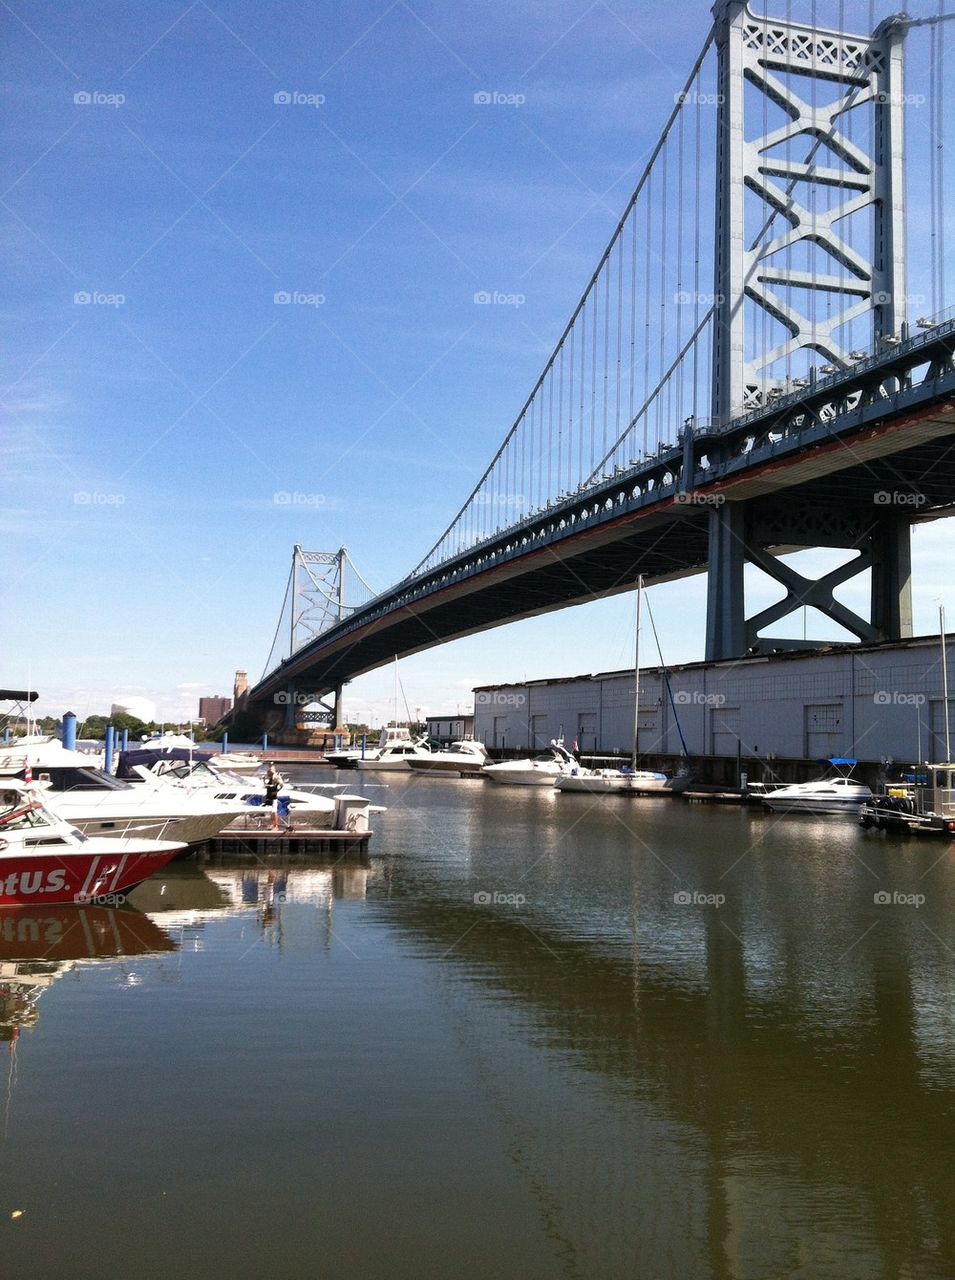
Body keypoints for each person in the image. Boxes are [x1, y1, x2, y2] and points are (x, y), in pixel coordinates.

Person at [263, 763, 282, 830]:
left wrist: (276, 792)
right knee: (272, 812)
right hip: (269, 796)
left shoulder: (275, 777)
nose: (267, 774)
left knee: (274, 812)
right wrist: (264, 780)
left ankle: (276, 826)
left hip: (273, 797)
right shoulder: (271, 779)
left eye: (268, 772)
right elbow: (267, 786)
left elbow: (282, 785)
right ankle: (273, 824)